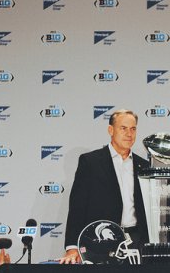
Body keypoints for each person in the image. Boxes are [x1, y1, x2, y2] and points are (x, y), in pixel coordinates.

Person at [60, 109, 149, 264]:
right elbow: (77, 207)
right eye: (123, 128)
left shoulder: (144, 166)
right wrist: (72, 247)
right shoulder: (90, 162)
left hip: (136, 242)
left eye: (133, 129)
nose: (129, 133)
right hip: (100, 242)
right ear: (110, 130)